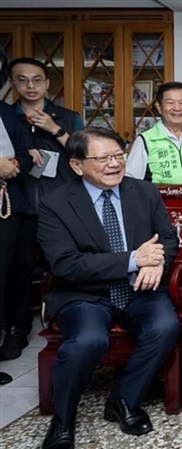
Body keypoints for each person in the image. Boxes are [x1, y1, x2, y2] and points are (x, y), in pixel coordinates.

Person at [37, 127, 180, 449]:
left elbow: (167, 239)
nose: (114, 164)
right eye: (103, 158)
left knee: (165, 326)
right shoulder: (55, 203)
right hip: (85, 294)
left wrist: (157, 262)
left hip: (138, 290)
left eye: (118, 156)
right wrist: (133, 259)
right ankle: (62, 422)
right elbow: (66, 264)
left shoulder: (143, 192)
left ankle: (124, 400)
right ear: (77, 165)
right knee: (88, 340)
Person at [2, 57, 85, 362]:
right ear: (12, 83)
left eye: (37, 80)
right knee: (19, 269)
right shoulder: (6, 118)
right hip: (18, 204)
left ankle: (70, 320)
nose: (31, 86)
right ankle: (17, 329)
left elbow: (85, 153)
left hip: (62, 205)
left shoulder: (66, 116)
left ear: (48, 83)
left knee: (67, 265)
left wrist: (54, 129)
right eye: (22, 80)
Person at [0, 49, 34, 383]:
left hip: (10, 203)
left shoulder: (7, 114)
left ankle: (15, 331)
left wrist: (16, 164)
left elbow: (24, 157)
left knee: (14, 274)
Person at [126, 81, 182, 186]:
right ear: (159, 107)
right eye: (170, 102)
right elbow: (131, 182)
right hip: (159, 202)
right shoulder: (145, 140)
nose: (177, 108)